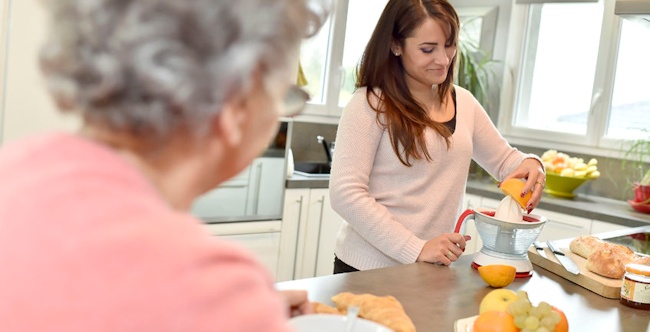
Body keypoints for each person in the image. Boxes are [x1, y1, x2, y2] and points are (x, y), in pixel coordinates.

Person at [0, 0, 327, 330]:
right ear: (238, 99)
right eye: (286, 95)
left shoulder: (11, 170)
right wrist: (241, 310)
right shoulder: (212, 289)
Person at [329, 0, 546, 273]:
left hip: (432, 269)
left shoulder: (464, 102)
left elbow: (506, 162)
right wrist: (416, 248)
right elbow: (345, 194)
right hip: (369, 271)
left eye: (449, 45)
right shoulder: (369, 103)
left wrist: (533, 165)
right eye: (428, 49)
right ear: (396, 45)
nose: (443, 59)